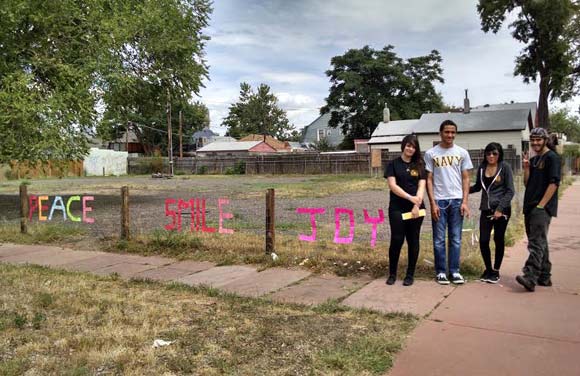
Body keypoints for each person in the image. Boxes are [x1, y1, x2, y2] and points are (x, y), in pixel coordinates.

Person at [425, 120, 473, 285]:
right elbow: (429, 179)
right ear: (440, 133)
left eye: (453, 132)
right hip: (439, 200)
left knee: (455, 238)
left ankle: (454, 271)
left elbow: (466, 178)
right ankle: (440, 272)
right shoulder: (431, 153)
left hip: (457, 200)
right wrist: (432, 203)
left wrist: (465, 201)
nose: (450, 135)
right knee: (439, 239)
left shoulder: (462, 153)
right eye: (447, 132)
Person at [516, 128, 561, 292]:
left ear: (545, 140)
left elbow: (554, 183)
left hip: (541, 207)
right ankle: (545, 276)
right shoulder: (535, 159)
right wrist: (526, 167)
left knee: (535, 243)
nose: (535, 143)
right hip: (530, 206)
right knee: (540, 241)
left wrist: (542, 205)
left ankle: (530, 276)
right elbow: (528, 183)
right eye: (533, 140)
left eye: (538, 140)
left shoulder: (552, 158)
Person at [384, 134, 426, 286]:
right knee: (397, 240)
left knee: (413, 240)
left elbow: (421, 187)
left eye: (413, 147)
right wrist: (410, 198)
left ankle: (410, 275)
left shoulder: (419, 165)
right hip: (397, 208)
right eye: (408, 145)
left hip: (416, 209)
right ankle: (392, 274)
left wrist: (416, 205)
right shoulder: (393, 164)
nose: (410, 149)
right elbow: (393, 186)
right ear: (403, 146)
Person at [469, 143, 515, 283]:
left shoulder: (505, 168)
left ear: (499, 154)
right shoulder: (482, 168)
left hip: (502, 211)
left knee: (498, 239)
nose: (491, 156)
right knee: (483, 240)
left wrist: (500, 209)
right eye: (488, 153)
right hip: (486, 210)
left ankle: (496, 271)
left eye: (494, 153)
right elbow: (477, 187)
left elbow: (510, 191)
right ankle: (488, 269)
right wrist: (464, 190)